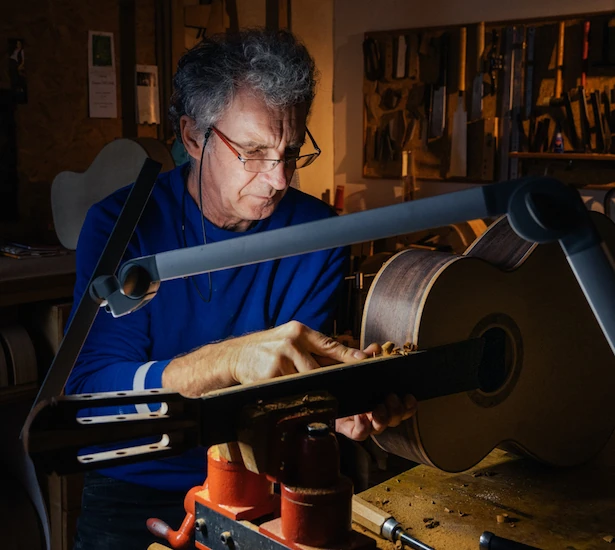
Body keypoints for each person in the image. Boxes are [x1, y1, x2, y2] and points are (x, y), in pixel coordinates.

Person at [67, 28, 416, 550]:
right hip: (136, 486)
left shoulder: (319, 234)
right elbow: (96, 397)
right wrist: (231, 360)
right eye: (253, 151)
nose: (278, 179)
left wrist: (334, 409)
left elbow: (291, 399)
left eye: (291, 151)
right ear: (192, 138)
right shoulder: (122, 228)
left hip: (263, 483)